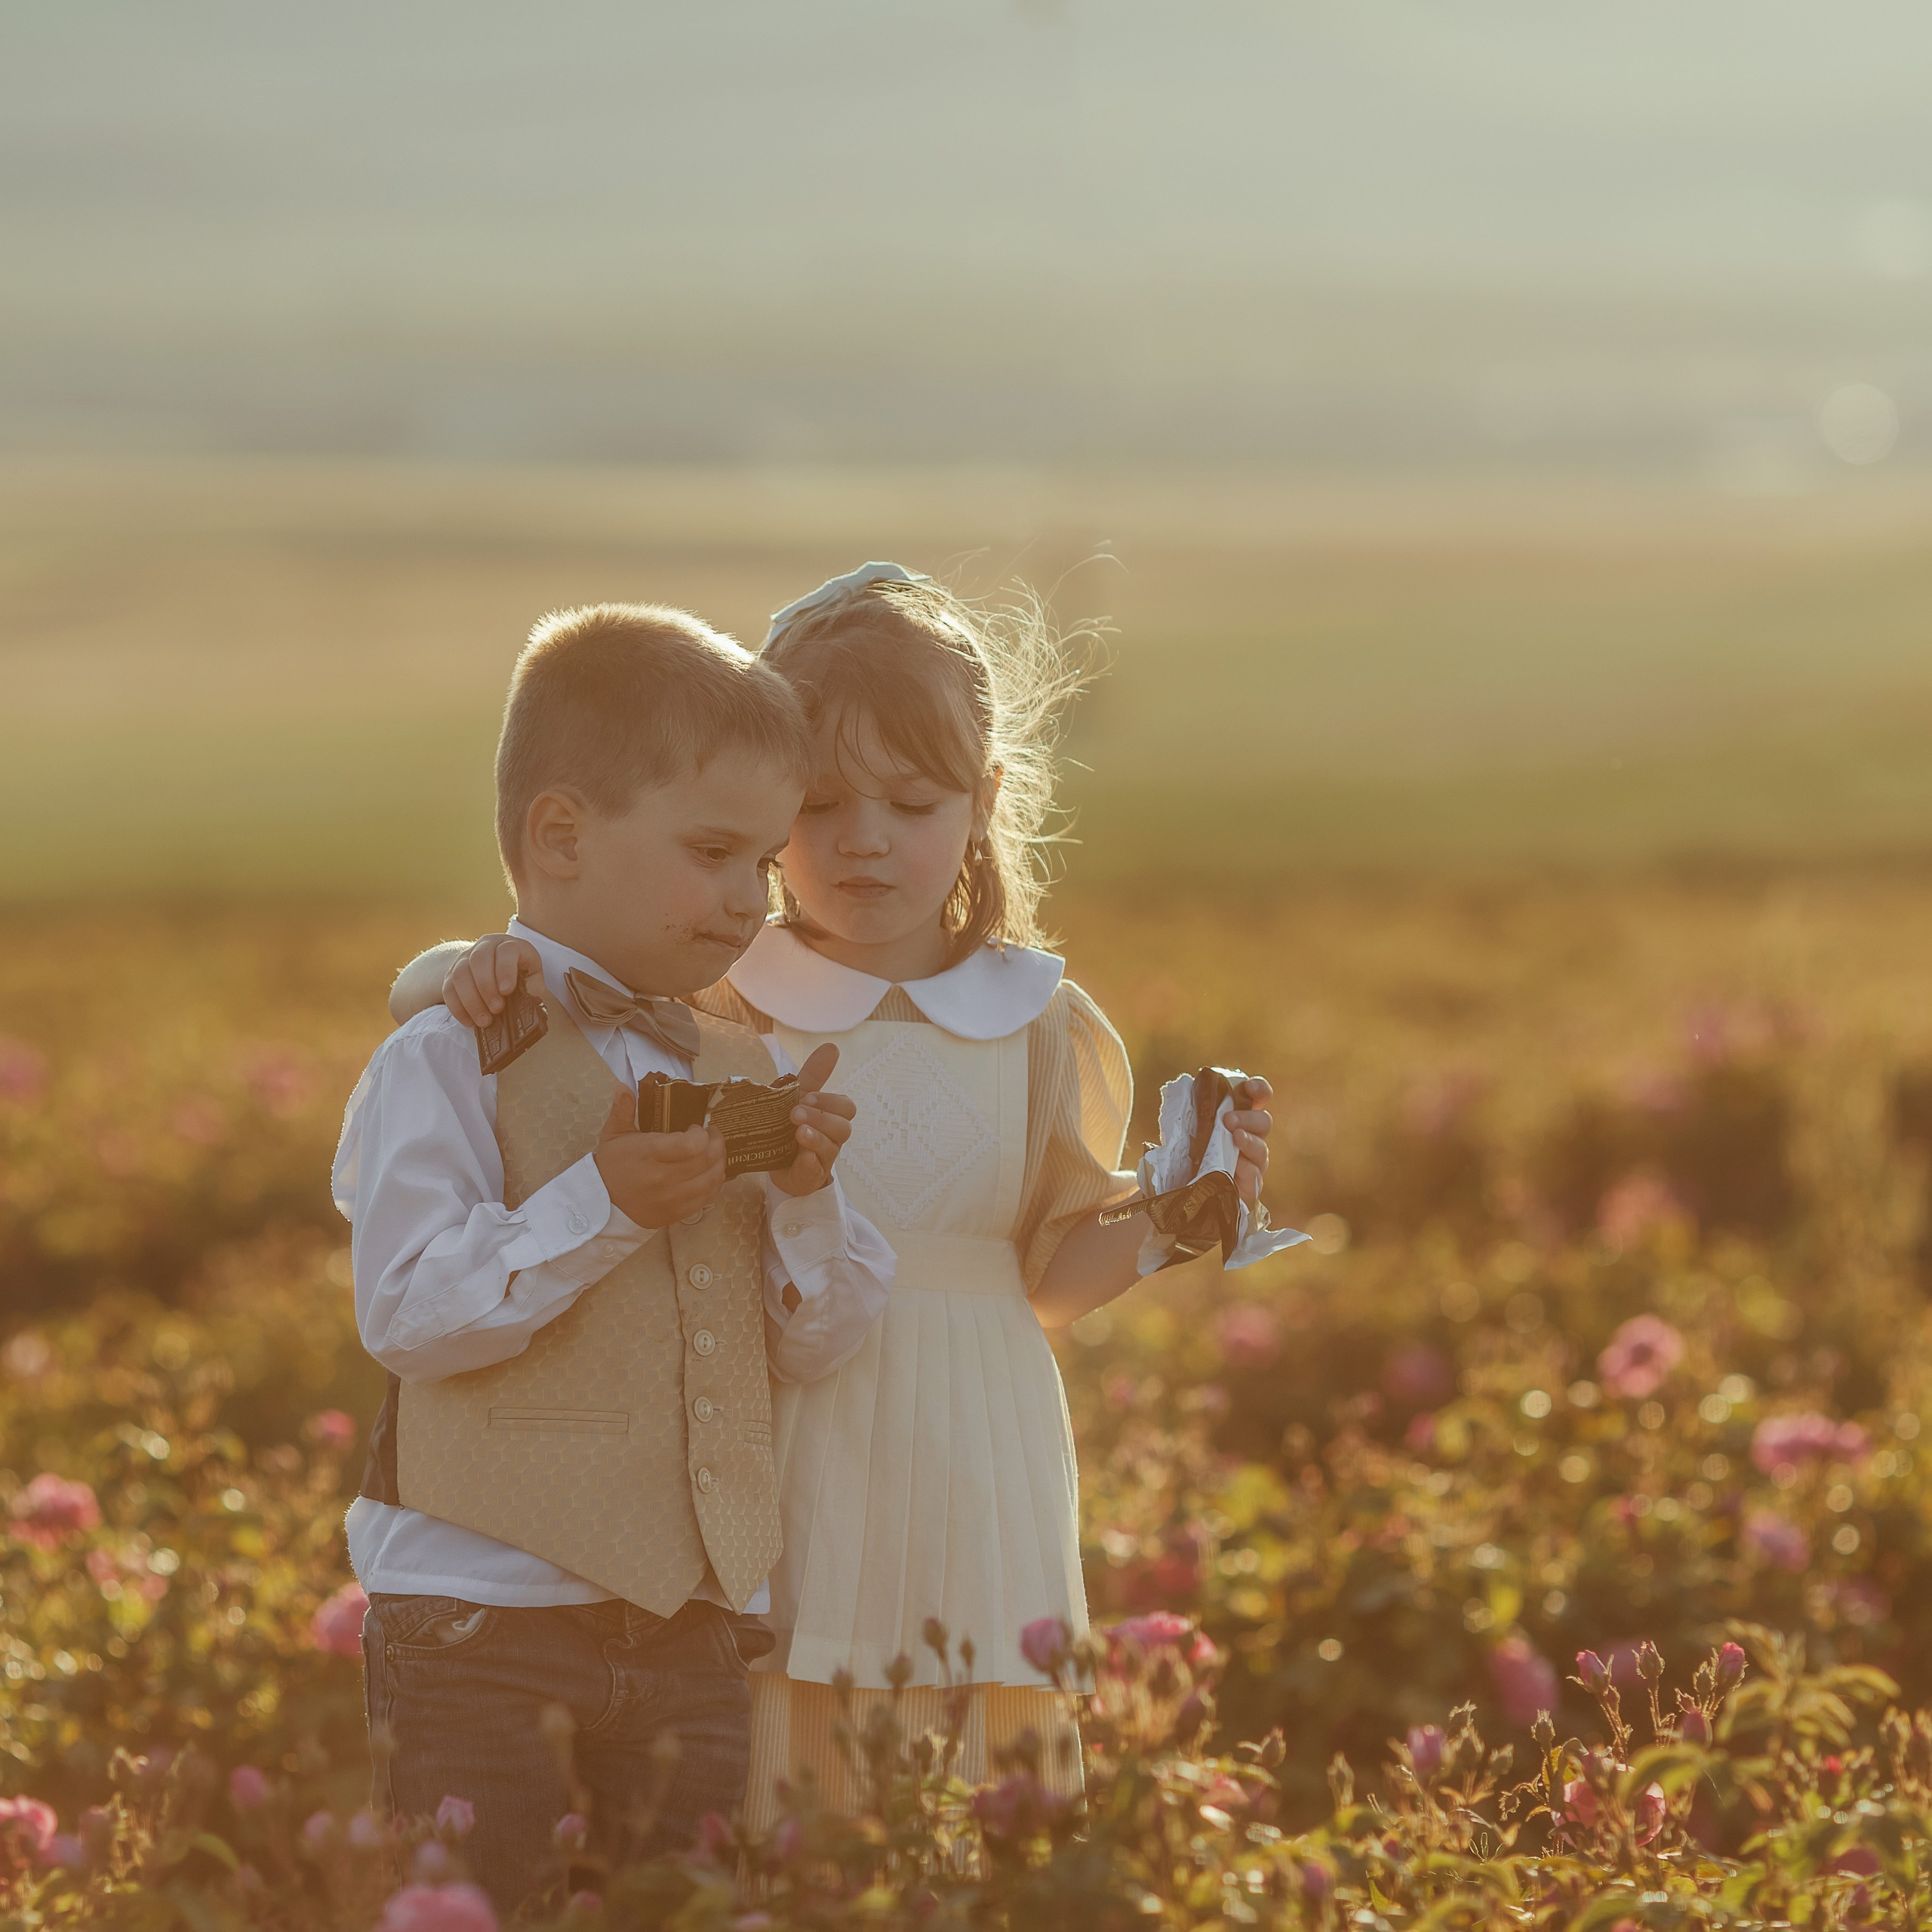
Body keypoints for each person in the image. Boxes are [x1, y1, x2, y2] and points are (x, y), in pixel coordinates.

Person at [388, 567, 1276, 1832]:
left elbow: (1047, 1282)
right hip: (772, 1437)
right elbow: (570, 990)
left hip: (980, 1453)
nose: (865, 838)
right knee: (776, 1774)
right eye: (819, 805)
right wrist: (466, 968)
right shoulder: (718, 994)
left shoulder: (1040, 1022)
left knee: (973, 1795)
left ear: (985, 807)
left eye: (912, 804)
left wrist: (1180, 1211)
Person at [334, 602, 894, 1907]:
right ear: (563, 835)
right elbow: (408, 1312)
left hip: (692, 1625)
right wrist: (604, 1203)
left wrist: (805, 1193)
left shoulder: (735, 1063)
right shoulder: (447, 1050)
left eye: (762, 863)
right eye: (713, 854)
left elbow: (810, 1344)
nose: (747, 903)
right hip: (479, 1621)